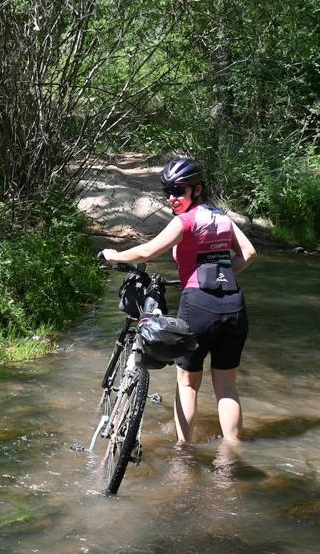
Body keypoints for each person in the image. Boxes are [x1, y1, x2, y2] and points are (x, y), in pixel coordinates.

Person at [100, 158, 257, 445]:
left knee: (187, 384)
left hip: (199, 307)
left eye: (179, 190)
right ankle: (231, 458)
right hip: (234, 308)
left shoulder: (184, 221)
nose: (172, 197)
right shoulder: (223, 218)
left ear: (197, 190)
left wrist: (114, 256)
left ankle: (184, 453)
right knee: (226, 387)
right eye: (168, 191)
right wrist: (223, 274)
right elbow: (248, 253)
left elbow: (148, 251)